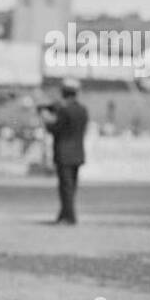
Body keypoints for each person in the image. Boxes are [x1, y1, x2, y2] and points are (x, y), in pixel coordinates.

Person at [37, 77, 89, 224]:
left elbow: (55, 129)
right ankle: (64, 214)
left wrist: (45, 118)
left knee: (65, 188)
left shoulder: (64, 111)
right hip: (78, 153)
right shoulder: (82, 110)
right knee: (72, 186)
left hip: (64, 153)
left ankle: (70, 217)